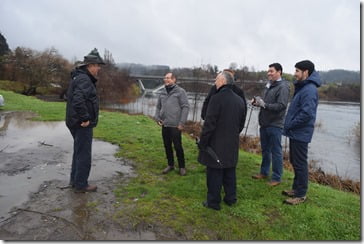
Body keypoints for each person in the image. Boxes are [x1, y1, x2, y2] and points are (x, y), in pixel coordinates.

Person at [198, 71, 246, 210]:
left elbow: (209, 124)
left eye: (217, 80)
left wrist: (203, 142)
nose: (215, 82)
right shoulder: (240, 100)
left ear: (223, 82)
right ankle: (231, 198)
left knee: (214, 173)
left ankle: (213, 202)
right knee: (230, 171)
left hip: (216, 143)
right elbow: (241, 124)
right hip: (232, 141)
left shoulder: (216, 98)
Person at [65, 48, 105, 193]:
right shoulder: (84, 79)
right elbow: (77, 100)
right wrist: (85, 118)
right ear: (90, 66)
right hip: (81, 123)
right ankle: (81, 184)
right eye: (97, 65)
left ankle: (75, 181)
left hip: (74, 121)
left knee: (78, 151)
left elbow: (72, 97)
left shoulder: (79, 77)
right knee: (83, 154)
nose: (98, 68)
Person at [282, 60, 321, 205]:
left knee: (299, 163)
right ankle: (296, 188)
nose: (295, 74)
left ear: (306, 72)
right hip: (296, 132)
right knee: (295, 161)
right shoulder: (304, 87)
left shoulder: (310, 90)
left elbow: (307, 114)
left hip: (300, 133)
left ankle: (301, 194)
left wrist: (290, 124)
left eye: (297, 71)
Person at [251, 63, 290, 186]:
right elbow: (265, 103)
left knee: (276, 152)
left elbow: (282, 105)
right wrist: (257, 103)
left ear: (279, 72)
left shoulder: (283, 87)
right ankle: (264, 172)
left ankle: (277, 178)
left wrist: (265, 105)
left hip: (275, 124)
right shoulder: (269, 86)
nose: (269, 73)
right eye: (268, 71)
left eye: (271, 71)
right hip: (264, 123)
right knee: (265, 150)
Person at [154, 72, 190, 176]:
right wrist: (157, 118)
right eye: (165, 78)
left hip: (176, 125)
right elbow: (158, 107)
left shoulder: (180, 92)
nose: (166, 80)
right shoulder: (162, 92)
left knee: (178, 146)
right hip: (165, 124)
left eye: (168, 78)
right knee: (167, 146)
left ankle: (182, 167)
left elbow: (185, 107)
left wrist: (181, 123)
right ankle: (170, 165)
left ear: (174, 80)